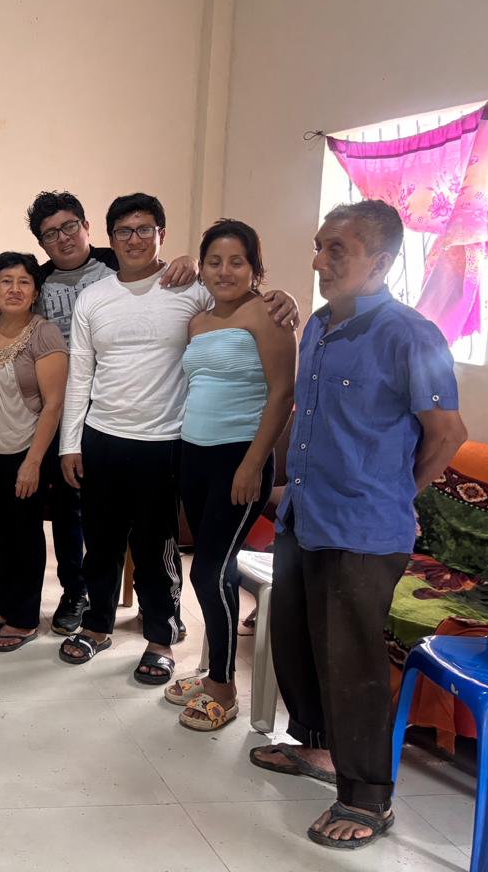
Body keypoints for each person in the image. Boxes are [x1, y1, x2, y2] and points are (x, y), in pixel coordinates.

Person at [249, 201, 466, 850]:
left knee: (354, 662)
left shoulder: (412, 336)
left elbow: (447, 433)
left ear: (381, 261)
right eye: (319, 246)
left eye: (337, 249)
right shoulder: (319, 325)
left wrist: (395, 493)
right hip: (305, 514)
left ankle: (369, 798)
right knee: (296, 639)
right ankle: (317, 748)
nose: (320, 260)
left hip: (364, 530)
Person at [58, 193, 297, 683]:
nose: (134, 239)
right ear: (110, 239)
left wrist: (285, 298)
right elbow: (81, 373)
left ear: (161, 234)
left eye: (145, 229)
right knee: (100, 542)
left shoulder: (192, 289)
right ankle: (97, 625)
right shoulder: (93, 298)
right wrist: (70, 442)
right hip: (102, 436)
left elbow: (240, 299)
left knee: (156, 546)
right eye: (124, 231)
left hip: (167, 440)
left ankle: (160, 638)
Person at [27, 191, 196, 636]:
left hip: (158, 431)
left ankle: (159, 618)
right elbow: (74, 368)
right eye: (50, 234)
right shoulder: (46, 284)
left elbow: (228, 301)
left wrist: (195, 264)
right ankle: (83, 605)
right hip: (81, 421)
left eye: (69, 226)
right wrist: (69, 441)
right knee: (82, 524)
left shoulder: (163, 279)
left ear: (87, 228)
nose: (63, 238)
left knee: (153, 534)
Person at [163, 221, 294, 731]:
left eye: (237, 261)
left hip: (240, 460)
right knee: (214, 570)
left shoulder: (268, 314)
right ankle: (211, 669)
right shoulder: (198, 321)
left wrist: (253, 464)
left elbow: (282, 394)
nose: (225, 271)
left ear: (255, 268)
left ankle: (224, 685)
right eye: (214, 262)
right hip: (193, 455)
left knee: (209, 571)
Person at [0, 252, 67, 652]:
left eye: (24, 282)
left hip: (25, 451)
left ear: (35, 291)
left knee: (25, 534)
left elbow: (54, 404)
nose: (14, 289)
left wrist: (33, 462)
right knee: (0, 532)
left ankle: (24, 618)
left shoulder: (45, 334)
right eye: (6, 281)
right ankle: (2, 608)